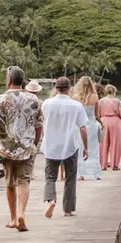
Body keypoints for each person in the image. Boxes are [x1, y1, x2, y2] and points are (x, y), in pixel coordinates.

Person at [0, 65, 42, 232]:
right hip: (27, 147)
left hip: (7, 148)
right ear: (23, 82)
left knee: (10, 184)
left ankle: (12, 219)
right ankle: (22, 214)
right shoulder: (34, 100)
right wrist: (35, 142)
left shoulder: (1, 99)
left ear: (9, 80)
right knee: (24, 181)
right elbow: (39, 126)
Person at [40, 75, 91, 218]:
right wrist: (86, 147)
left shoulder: (46, 104)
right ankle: (68, 210)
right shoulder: (76, 105)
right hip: (70, 145)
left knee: (50, 176)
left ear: (56, 88)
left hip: (51, 145)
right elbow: (83, 128)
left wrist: (44, 138)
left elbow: (41, 124)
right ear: (69, 88)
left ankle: (51, 200)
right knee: (70, 178)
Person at [76, 77, 103, 180]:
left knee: (80, 148)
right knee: (93, 149)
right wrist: (102, 123)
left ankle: (81, 173)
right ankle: (95, 173)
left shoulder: (75, 97)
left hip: (79, 126)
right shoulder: (95, 97)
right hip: (91, 126)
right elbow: (96, 115)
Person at [97, 82, 121, 171]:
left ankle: (102, 165)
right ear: (114, 92)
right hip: (115, 121)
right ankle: (114, 165)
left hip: (103, 121)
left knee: (103, 144)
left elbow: (97, 113)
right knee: (115, 143)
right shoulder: (117, 101)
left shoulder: (100, 101)